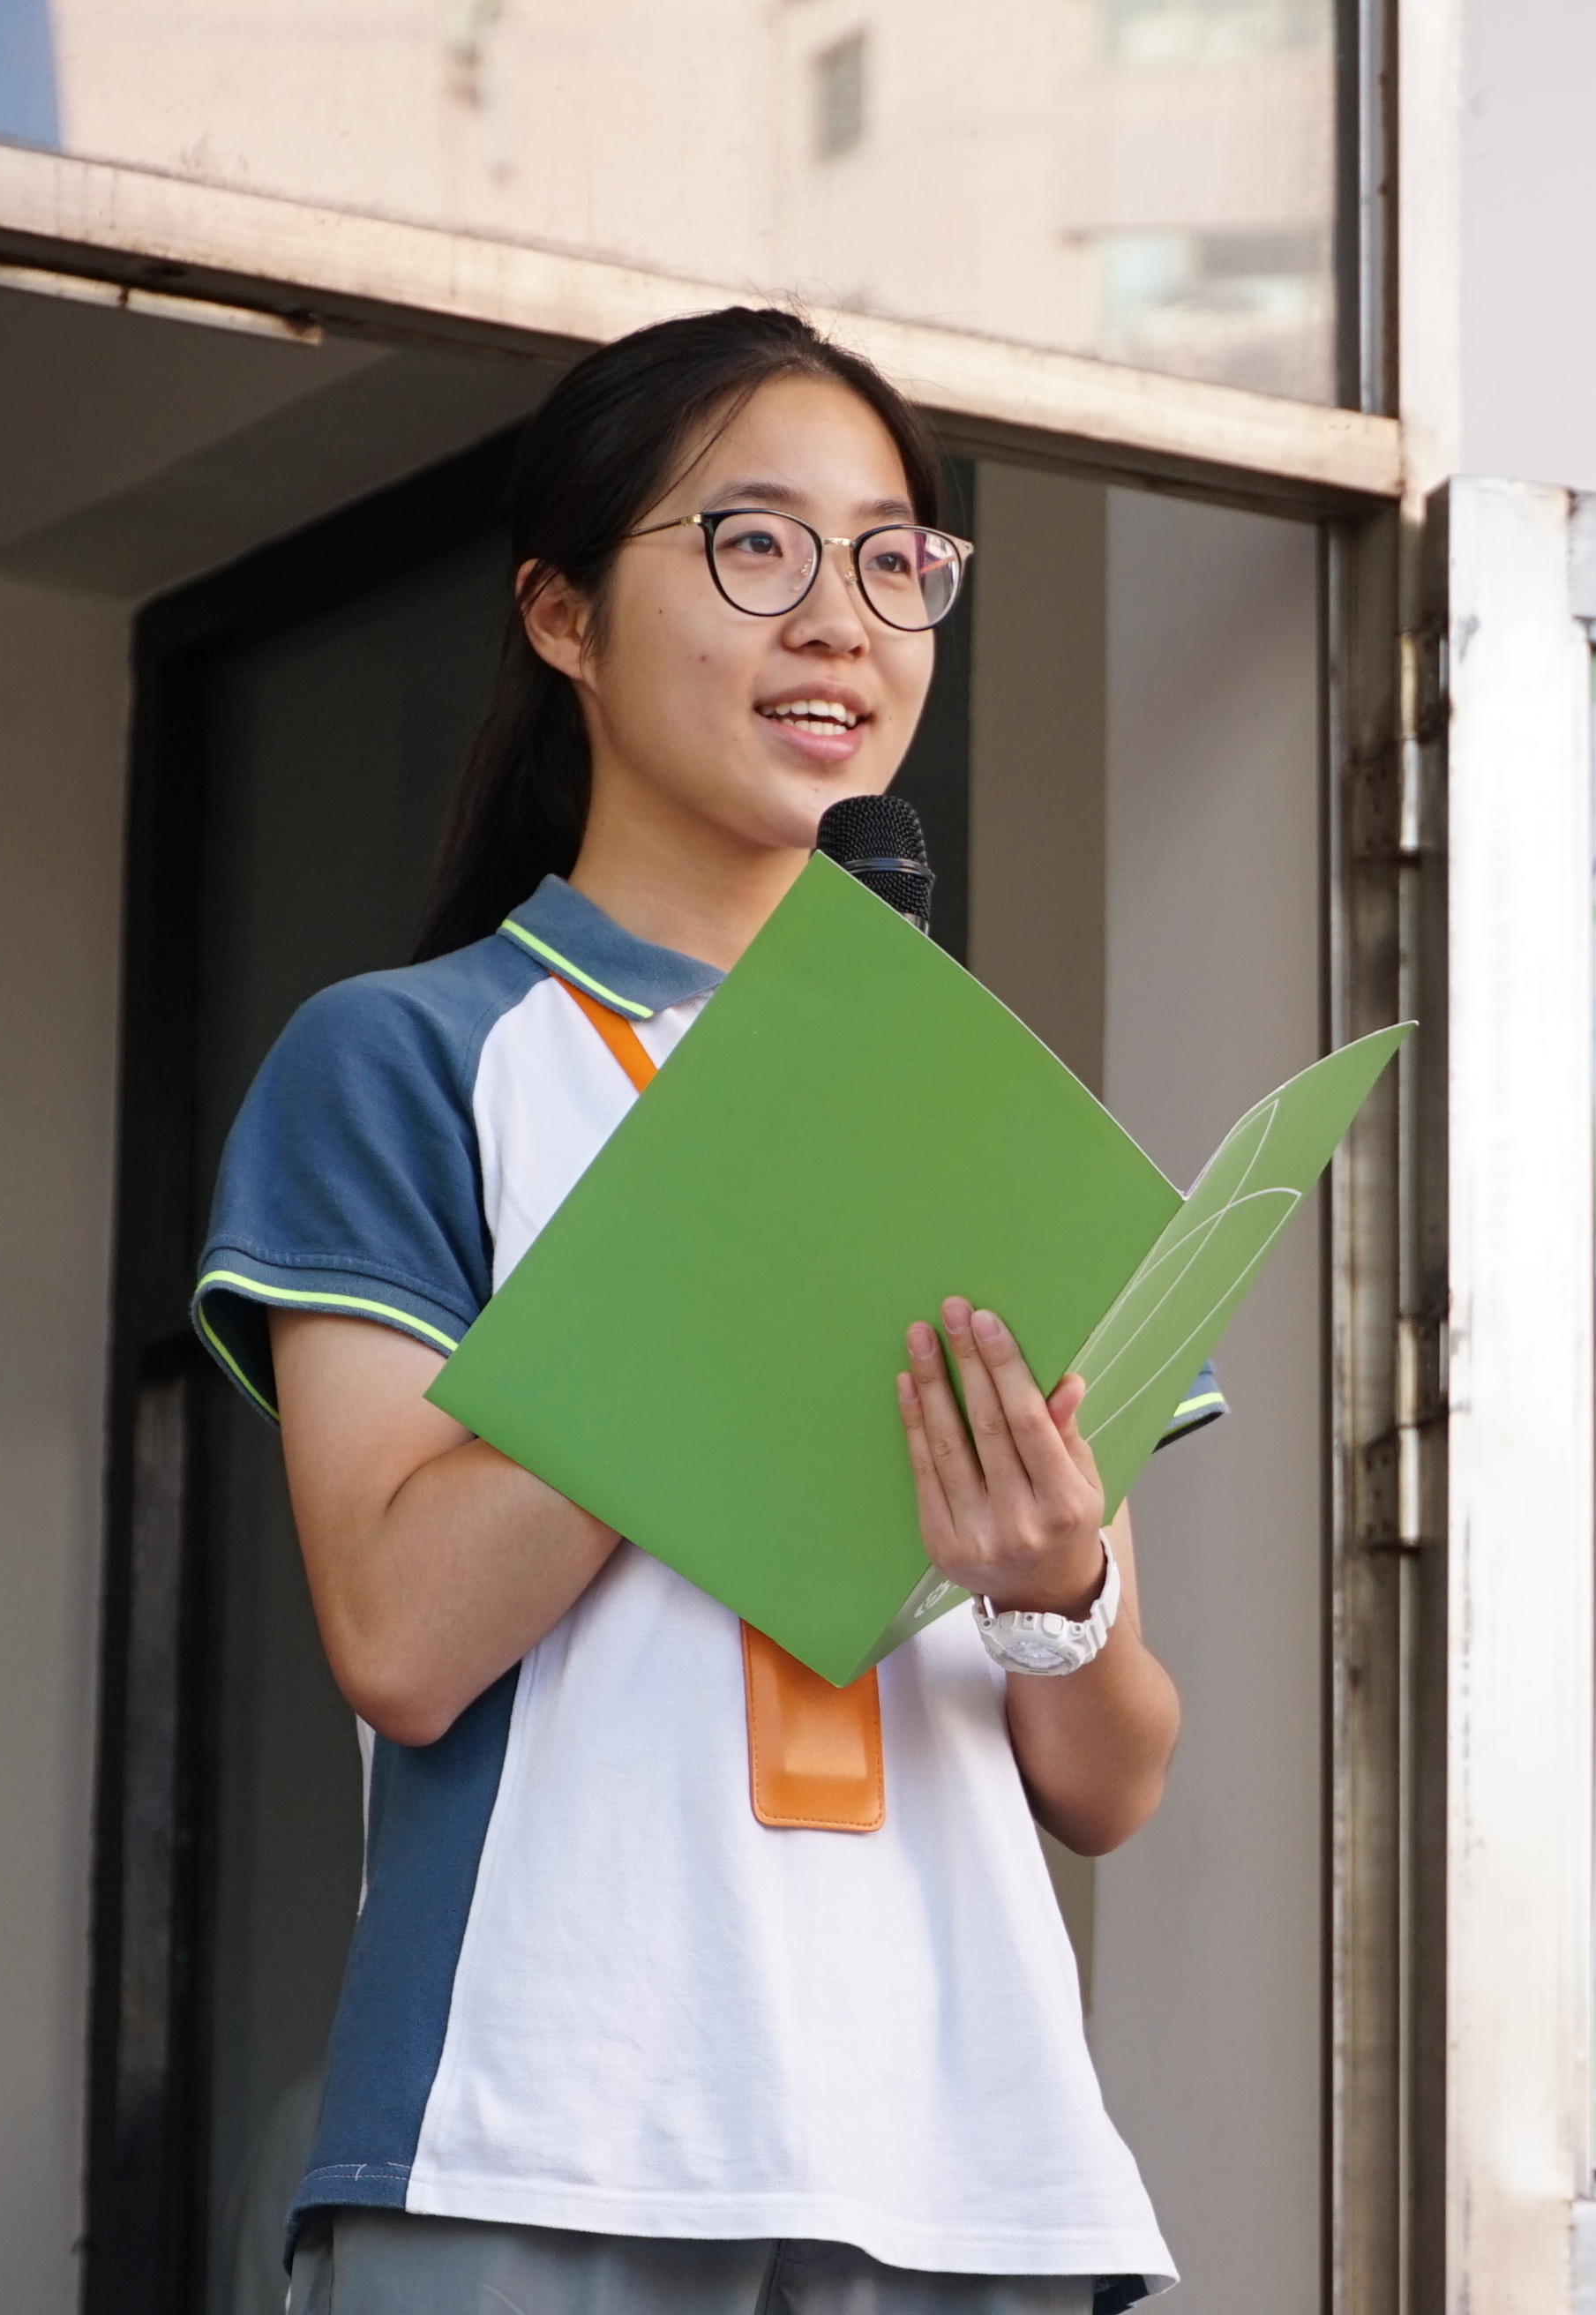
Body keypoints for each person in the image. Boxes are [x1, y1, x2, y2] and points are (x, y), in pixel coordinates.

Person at [190, 308, 1195, 2315]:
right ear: (562, 613)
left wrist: (1057, 1585)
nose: (839, 622)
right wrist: (742, 1221)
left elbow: (1110, 1778)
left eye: (893, 560)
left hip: (972, 2173)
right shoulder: (409, 1059)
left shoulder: (978, 1111)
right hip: (537, 2134)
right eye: (754, 545)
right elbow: (400, 1638)